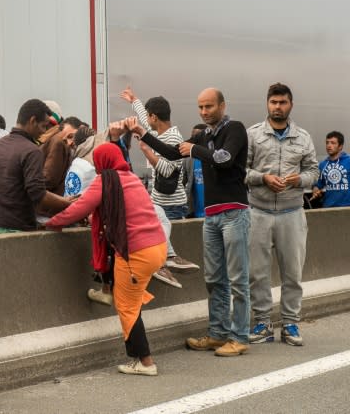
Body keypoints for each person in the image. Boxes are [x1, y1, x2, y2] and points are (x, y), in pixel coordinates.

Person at [128, 87, 251, 357]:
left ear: (222, 105)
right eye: (200, 108)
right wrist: (143, 132)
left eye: (209, 107)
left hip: (234, 212)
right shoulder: (202, 135)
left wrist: (195, 149)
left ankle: (240, 336)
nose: (204, 112)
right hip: (211, 215)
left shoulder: (235, 130)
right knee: (214, 278)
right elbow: (172, 153)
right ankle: (218, 334)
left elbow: (224, 159)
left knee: (238, 278)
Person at [47, 143, 167, 376]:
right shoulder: (131, 178)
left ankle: (145, 362)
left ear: (103, 162)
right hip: (157, 247)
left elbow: (78, 209)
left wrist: (51, 222)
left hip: (136, 253)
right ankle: (140, 354)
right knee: (131, 299)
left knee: (127, 307)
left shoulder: (105, 182)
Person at [246, 83, 318, 346]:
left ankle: (290, 324)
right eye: (274, 102)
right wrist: (262, 177)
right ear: (267, 103)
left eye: (283, 102)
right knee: (258, 273)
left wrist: (299, 180)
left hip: (292, 213)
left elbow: (314, 171)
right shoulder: (252, 135)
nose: (278, 107)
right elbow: (240, 170)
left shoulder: (303, 137)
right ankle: (263, 323)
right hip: (258, 212)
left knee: (292, 273)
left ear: (291, 104)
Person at [120, 87, 199, 286]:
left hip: (171, 203)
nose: (146, 120)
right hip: (160, 200)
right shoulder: (159, 132)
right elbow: (144, 122)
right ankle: (167, 259)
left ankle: (162, 262)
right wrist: (134, 100)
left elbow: (168, 171)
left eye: (149, 116)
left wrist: (146, 151)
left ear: (155, 117)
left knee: (157, 233)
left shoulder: (173, 138)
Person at [0, 99, 71, 233]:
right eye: (43, 126)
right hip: (17, 229)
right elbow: (38, 194)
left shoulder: (0, 144)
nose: (43, 132)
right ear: (32, 121)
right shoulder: (31, 151)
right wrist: (68, 203)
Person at [41, 117, 84, 196]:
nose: (69, 143)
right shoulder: (58, 144)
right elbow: (49, 180)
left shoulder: (57, 142)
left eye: (71, 136)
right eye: (66, 139)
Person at [312, 131, 350, 208]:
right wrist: (315, 189)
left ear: (340, 146)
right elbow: (318, 184)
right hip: (328, 207)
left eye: (333, 143)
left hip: (347, 207)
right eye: (327, 143)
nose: (329, 146)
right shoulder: (323, 164)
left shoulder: (348, 161)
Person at [183, 124, 208, 218]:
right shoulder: (188, 159)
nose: (194, 140)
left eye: (197, 136)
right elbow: (182, 182)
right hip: (193, 213)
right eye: (193, 136)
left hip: (213, 212)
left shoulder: (212, 157)